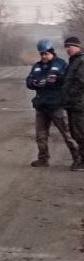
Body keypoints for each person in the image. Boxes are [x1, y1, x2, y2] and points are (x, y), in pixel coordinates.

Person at [26, 38, 80, 168]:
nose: (44, 56)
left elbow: (69, 80)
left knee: (67, 134)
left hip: (57, 105)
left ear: (52, 52)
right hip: (41, 105)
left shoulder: (61, 64)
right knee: (41, 135)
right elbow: (29, 81)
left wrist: (57, 79)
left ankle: (78, 158)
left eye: (46, 54)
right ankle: (43, 159)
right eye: (42, 54)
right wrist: (35, 83)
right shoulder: (37, 66)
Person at [63, 36, 84, 171]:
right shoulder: (74, 61)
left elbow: (81, 82)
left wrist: (71, 93)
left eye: (69, 46)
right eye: (66, 47)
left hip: (79, 104)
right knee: (75, 132)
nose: (67, 49)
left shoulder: (81, 61)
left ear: (77, 46)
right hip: (72, 104)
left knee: (80, 132)